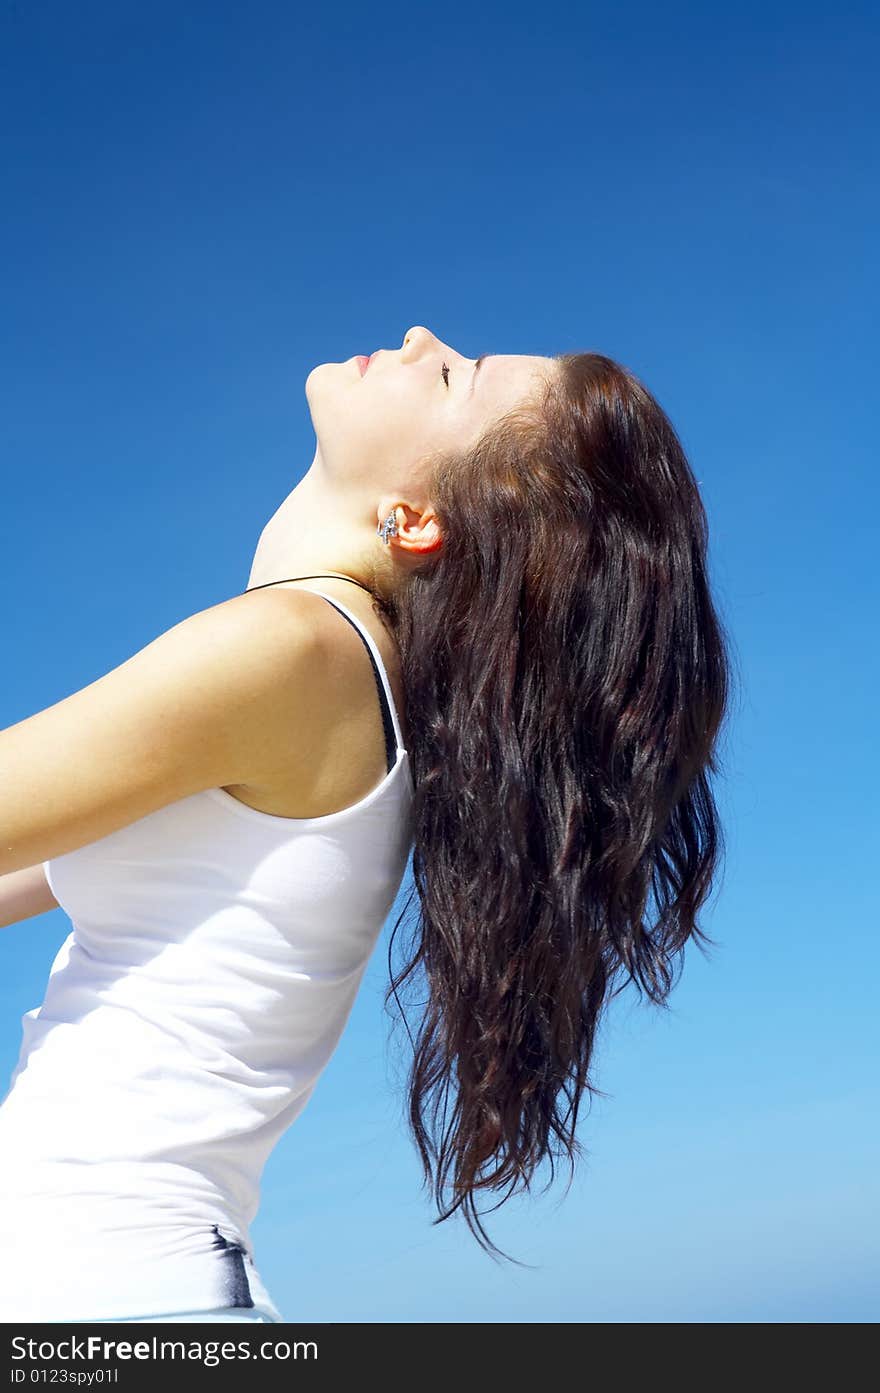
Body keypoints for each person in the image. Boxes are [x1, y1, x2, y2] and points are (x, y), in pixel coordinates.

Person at [0, 325, 731, 1321]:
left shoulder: (296, 653)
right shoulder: (336, 684)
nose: (422, 336)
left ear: (414, 518)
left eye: (450, 376)